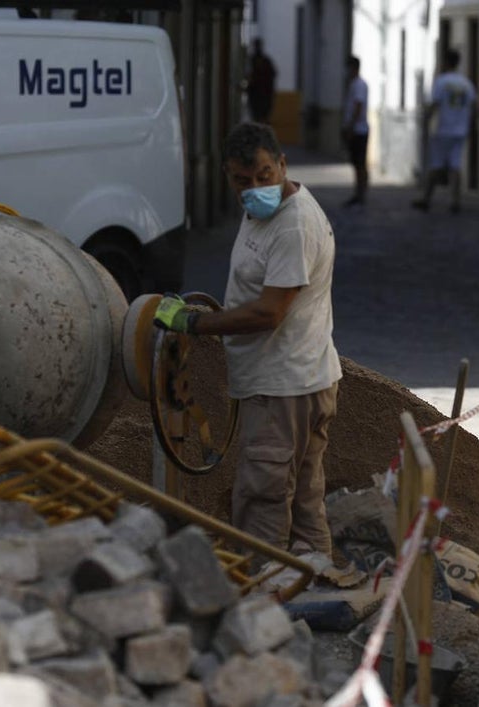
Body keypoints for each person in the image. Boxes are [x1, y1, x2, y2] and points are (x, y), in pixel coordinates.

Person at [153, 122, 342, 559]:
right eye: (242, 180)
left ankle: (264, 592)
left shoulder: (293, 227)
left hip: (284, 391)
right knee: (304, 505)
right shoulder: (260, 211)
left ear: (282, 165)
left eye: (264, 175)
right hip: (295, 382)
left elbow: (268, 313)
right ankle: (315, 585)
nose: (255, 188)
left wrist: (194, 324)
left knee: (263, 507)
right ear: (227, 175)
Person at [412, 48, 476, 214]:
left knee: (437, 164)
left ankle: (427, 198)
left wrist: (426, 119)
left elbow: (435, 103)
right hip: (460, 130)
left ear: (446, 62)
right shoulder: (466, 84)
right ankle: (456, 200)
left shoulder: (441, 82)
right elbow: (473, 106)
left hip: (444, 129)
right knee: (455, 165)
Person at [341, 56, 370, 207]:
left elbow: (358, 106)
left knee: (360, 163)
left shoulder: (359, 85)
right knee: (357, 163)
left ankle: (361, 193)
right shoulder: (354, 84)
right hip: (356, 128)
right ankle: (358, 193)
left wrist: (351, 127)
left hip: (359, 130)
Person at [246, 38, 277, 124]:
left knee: (262, 117)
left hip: (263, 95)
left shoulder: (265, 61)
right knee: (257, 117)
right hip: (256, 95)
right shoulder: (252, 61)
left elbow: (272, 75)